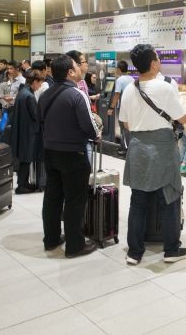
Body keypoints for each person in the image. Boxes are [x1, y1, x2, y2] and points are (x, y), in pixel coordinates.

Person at [119, 44, 186, 265]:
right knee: (169, 199)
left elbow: (126, 123)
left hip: (138, 147)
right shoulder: (165, 87)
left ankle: (134, 252)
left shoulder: (131, 88)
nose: (160, 61)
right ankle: (170, 250)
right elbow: (183, 119)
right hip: (162, 148)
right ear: (152, 63)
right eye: (158, 58)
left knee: (138, 201)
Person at [39, 55, 101, 258]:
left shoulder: (46, 94)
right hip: (73, 154)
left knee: (52, 197)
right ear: (70, 72)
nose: (81, 68)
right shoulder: (76, 94)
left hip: (50, 152)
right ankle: (75, 245)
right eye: (77, 66)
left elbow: (41, 121)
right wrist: (96, 134)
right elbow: (89, 127)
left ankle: (51, 239)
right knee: (75, 200)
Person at [10, 73, 44, 194]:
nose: (39, 87)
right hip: (29, 131)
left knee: (24, 157)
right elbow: (36, 115)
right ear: (34, 81)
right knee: (26, 158)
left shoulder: (22, 92)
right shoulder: (29, 96)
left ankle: (23, 183)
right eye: (39, 83)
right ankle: (22, 185)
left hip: (22, 129)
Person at [108, 60, 135, 155]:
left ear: (119, 69)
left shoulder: (120, 80)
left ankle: (125, 148)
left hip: (123, 107)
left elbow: (117, 95)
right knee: (129, 127)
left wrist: (111, 108)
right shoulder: (132, 79)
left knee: (123, 128)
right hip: (131, 107)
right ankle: (130, 147)